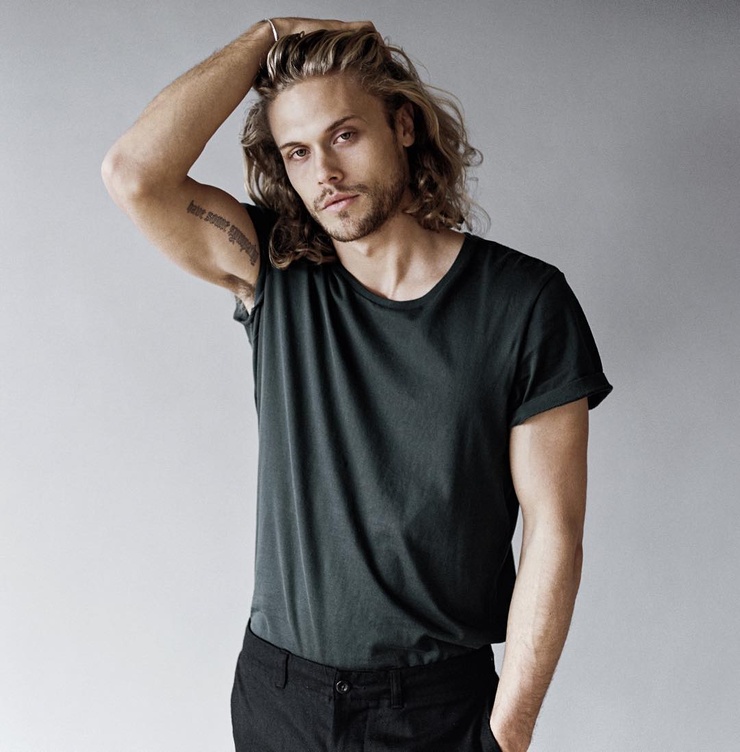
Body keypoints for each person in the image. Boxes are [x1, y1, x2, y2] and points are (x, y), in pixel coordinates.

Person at [102, 17, 612, 752]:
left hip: (436, 708)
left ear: (403, 125)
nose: (325, 174)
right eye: (298, 152)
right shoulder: (274, 271)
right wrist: (267, 35)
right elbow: (133, 174)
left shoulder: (524, 304)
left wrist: (509, 732)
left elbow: (555, 531)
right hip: (281, 697)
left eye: (344, 135)